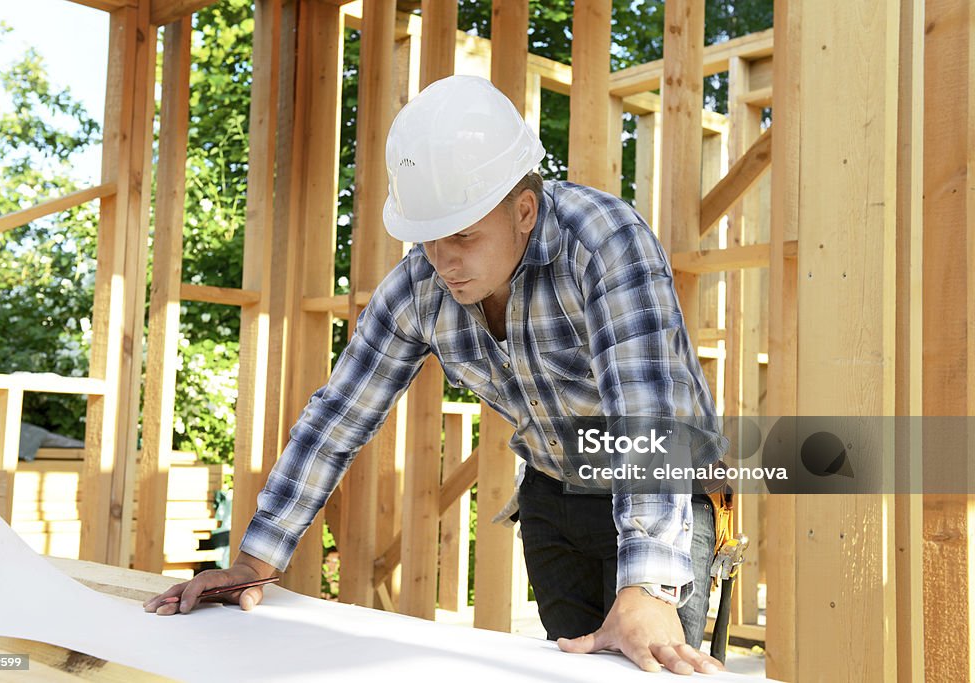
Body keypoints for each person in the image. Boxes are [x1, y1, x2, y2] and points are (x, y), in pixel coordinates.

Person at [144, 75, 727, 676]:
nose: (443, 261)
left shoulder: (604, 241)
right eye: (427, 240)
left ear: (523, 211)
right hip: (553, 491)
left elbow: (647, 411)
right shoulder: (420, 287)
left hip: (663, 490)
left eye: (463, 236)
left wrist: (649, 585)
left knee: (653, 666)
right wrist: (255, 560)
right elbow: (337, 416)